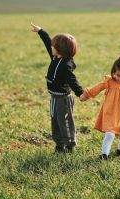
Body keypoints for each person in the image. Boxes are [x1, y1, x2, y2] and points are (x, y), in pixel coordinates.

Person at [31, 22, 85, 153]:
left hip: (63, 100)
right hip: (54, 98)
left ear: (60, 49)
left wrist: (80, 93)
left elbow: (73, 80)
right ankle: (60, 146)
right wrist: (41, 32)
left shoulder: (65, 66)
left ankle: (70, 146)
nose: (51, 47)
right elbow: (47, 42)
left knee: (65, 122)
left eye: (53, 46)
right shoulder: (55, 57)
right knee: (55, 122)